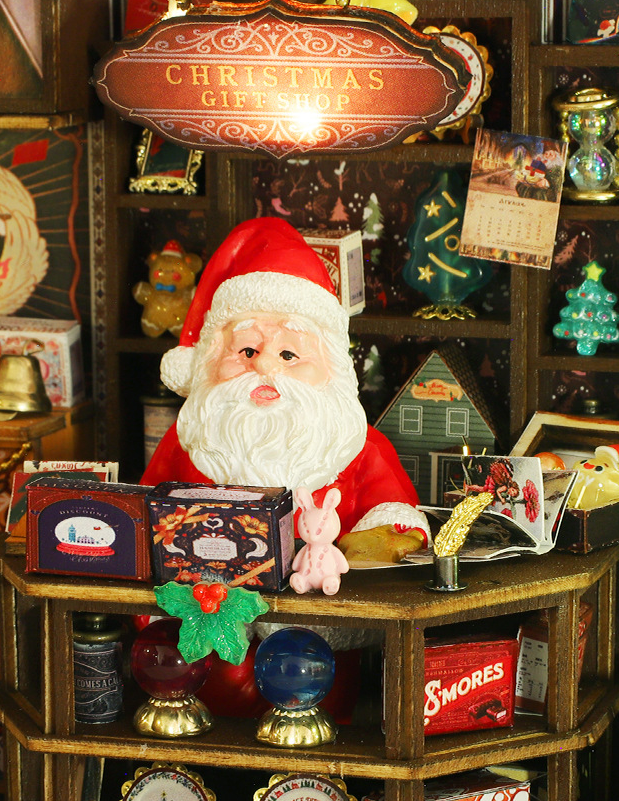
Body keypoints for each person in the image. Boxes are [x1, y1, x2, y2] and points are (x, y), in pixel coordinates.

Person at [142, 217, 429, 563]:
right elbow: (142, 522)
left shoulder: (359, 449)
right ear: (210, 360)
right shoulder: (187, 443)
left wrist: (382, 541)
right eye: (247, 350)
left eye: (289, 354)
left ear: (331, 367)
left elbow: (396, 521)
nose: (265, 366)